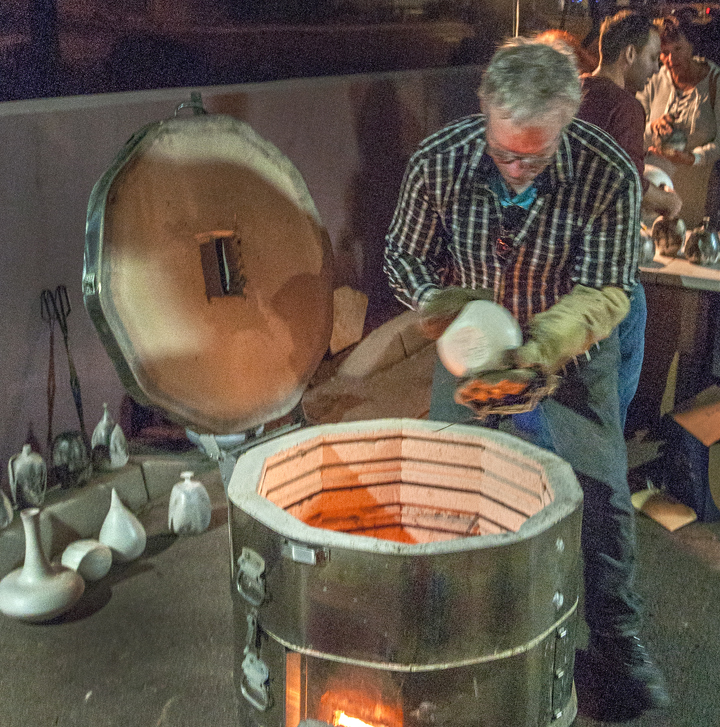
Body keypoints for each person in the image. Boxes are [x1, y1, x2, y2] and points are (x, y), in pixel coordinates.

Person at [384, 37, 668, 721]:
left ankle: (618, 642)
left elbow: (606, 289)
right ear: (485, 109)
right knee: (448, 477)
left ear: (568, 121)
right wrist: (441, 306)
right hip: (471, 342)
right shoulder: (440, 161)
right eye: (504, 151)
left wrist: (541, 348)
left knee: (598, 488)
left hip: (571, 347)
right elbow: (402, 255)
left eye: (533, 157)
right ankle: (445, 629)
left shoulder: (607, 173)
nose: (515, 169)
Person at [577, 10, 682, 433]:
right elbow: (626, 185)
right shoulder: (625, 106)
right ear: (630, 54)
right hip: (606, 267)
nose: (656, 68)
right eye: (653, 58)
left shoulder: (573, 92)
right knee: (618, 376)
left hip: (563, 259)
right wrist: (666, 201)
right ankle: (609, 456)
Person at [638, 14, 720, 229]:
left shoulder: (715, 82)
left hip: (693, 190)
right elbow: (633, 131)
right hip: (653, 191)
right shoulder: (654, 77)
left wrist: (693, 158)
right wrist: (652, 128)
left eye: (678, 49)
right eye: (664, 52)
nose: (671, 59)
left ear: (692, 46)